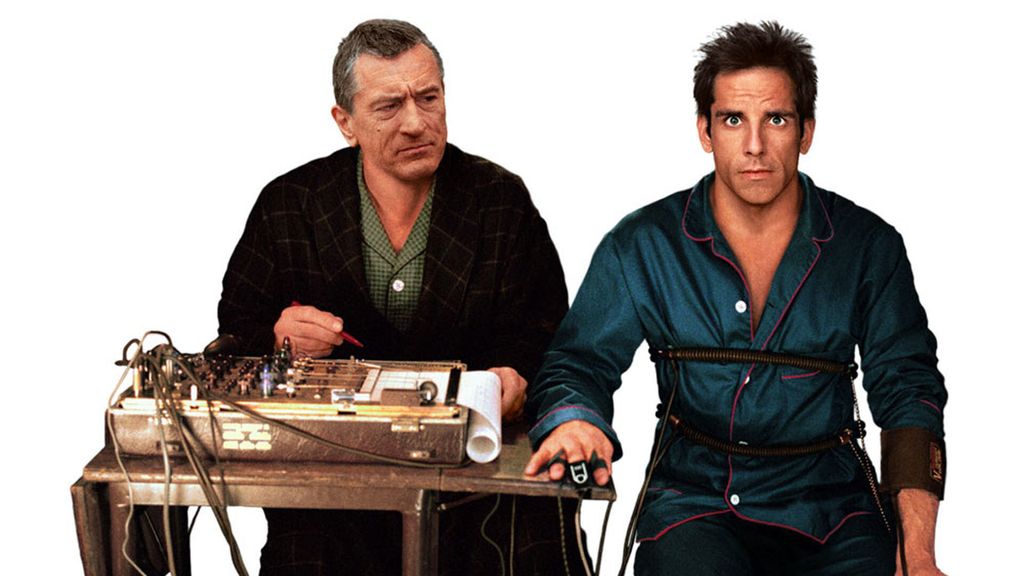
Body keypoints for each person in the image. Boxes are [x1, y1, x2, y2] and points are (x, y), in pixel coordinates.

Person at [524, 21, 947, 576]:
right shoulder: (642, 244)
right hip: (693, 507)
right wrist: (576, 422)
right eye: (732, 120)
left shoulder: (869, 246)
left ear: (807, 131)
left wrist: (918, 556)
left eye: (776, 119)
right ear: (705, 130)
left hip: (833, 511)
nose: (754, 146)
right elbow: (578, 362)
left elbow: (909, 391)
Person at [218, 19, 585, 576]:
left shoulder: (499, 201)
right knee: (306, 556)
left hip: (475, 471)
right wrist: (277, 336)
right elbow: (235, 327)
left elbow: (546, 332)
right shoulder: (290, 204)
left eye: (428, 98)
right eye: (389, 106)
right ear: (345, 122)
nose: (416, 122)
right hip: (333, 473)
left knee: (535, 546)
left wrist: (515, 377)